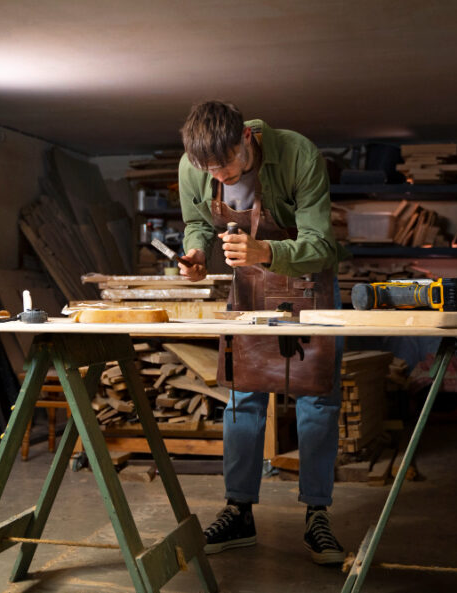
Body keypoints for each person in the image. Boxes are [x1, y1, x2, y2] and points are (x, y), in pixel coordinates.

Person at [176, 100, 347, 565]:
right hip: (248, 287)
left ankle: (317, 515)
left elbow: (320, 243)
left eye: (226, 163)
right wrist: (195, 253)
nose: (220, 175)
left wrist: (264, 252)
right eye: (207, 168)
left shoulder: (298, 154)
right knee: (241, 398)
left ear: (246, 139)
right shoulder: (195, 167)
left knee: (316, 399)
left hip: (307, 283)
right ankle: (238, 511)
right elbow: (197, 223)